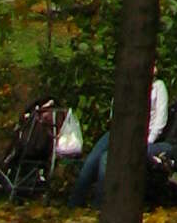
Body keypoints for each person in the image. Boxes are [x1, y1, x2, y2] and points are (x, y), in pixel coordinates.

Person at [68, 74, 168, 203]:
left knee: (107, 158)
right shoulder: (128, 82)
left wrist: (148, 141)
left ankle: (99, 203)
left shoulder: (158, 87)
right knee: (92, 159)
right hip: (119, 130)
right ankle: (75, 201)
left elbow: (160, 120)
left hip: (141, 135)